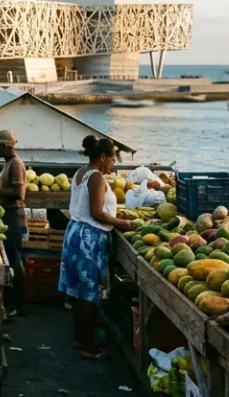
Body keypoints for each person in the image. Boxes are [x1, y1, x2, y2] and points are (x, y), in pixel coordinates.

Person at [59, 136, 136, 360]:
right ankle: (87, 344)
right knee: (87, 294)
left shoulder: (81, 172)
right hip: (88, 239)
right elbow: (97, 213)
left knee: (78, 292)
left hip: (75, 232)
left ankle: (80, 337)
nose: (113, 164)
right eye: (112, 159)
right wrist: (125, 223)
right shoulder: (96, 177)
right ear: (102, 157)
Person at [0, 130, 26, 318]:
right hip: (6, 215)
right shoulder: (7, 164)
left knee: (13, 259)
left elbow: (19, 194)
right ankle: (12, 302)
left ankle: (17, 304)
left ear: (6, 146)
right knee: (10, 258)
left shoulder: (16, 164)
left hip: (13, 215)